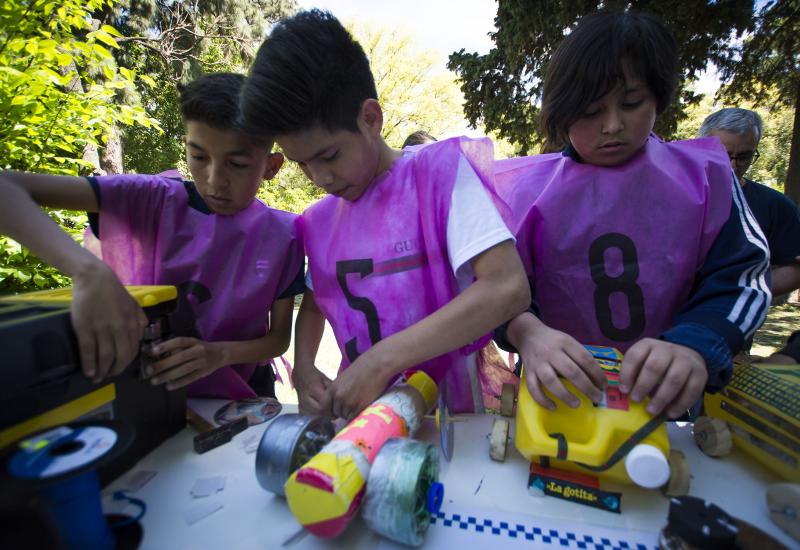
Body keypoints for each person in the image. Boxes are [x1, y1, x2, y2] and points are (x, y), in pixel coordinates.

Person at [239, 9, 530, 419]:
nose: (318, 177)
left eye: (328, 155)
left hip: (451, 421)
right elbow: (315, 304)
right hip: (359, 421)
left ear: (370, 118)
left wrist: (382, 360)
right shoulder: (320, 221)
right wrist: (304, 368)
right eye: (301, 163)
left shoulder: (441, 176)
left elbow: (507, 286)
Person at [493, 11, 771, 419]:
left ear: (658, 97)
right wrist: (528, 333)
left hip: (668, 403)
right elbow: (495, 290)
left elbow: (742, 278)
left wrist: (695, 342)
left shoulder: (707, 177)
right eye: (589, 111)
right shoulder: (521, 192)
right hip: (559, 398)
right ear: (561, 111)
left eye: (632, 103)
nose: (612, 125)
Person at [0, 72, 305, 399]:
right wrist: (88, 270)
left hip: (243, 395)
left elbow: (278, 339)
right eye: (199, 157)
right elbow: (7, 187)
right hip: (147, 390)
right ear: (186, 147)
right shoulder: (149, 199)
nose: (216, 179)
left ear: (271, 167)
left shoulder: (284, 235)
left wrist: (218, 354)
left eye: (238, 164)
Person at [698, 107, 800, 299]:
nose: (733, 166)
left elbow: (796, 268)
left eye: (744, 157)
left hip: (728, 320)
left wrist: (741, 294)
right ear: (700, 147)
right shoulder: (672, 194)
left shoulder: (776, 206)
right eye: (723, 155)